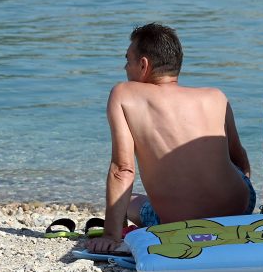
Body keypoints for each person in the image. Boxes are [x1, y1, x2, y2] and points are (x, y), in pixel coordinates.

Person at [87, 23, 254, 253]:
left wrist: (110, 235)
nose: (125, 67)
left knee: (131, 202)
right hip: (240, 208)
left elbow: (123, 170)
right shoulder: (215, 96)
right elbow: (240, 160)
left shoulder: (124, 94)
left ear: (143, 65)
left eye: (128, 60)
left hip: (179, 224)